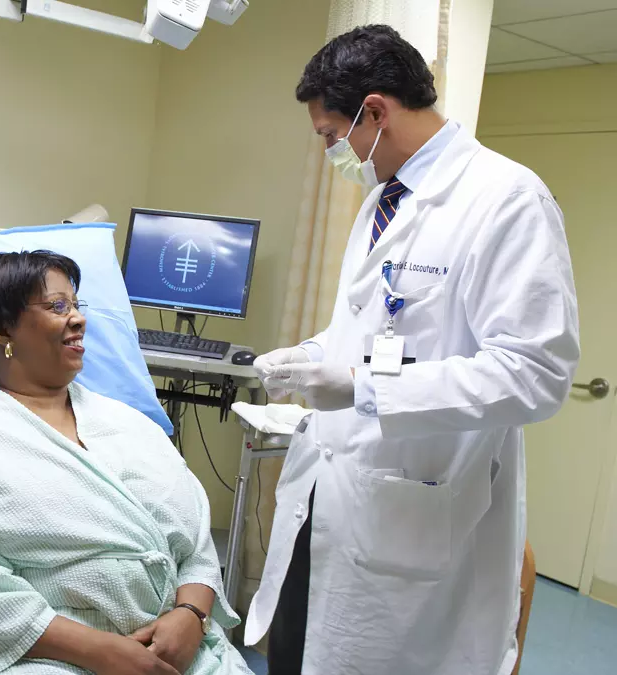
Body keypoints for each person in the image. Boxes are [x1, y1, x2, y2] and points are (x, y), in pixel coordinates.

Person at [247, 25, 580, 675]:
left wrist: (364, 387)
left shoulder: (506, 200)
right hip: (328, 496)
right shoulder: (383, 201)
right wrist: (313, 353)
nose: (328, 152)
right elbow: (378, 333)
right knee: (296, 652)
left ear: (374, 111)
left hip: (416, 517)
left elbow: (536, 373)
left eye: (328, 135)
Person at [0, 251, 253, 675]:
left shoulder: (131, 424)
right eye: (56, 306)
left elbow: (196, 539)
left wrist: (191, 617)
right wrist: (102, 652)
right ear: (0, 329)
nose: (78, 319)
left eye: (76, 305)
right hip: (51, 658)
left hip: (177, 646)